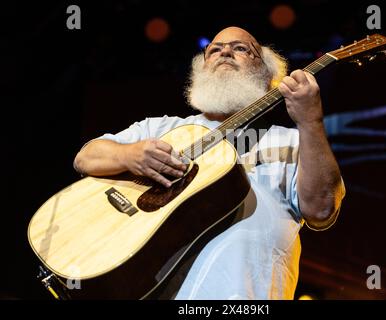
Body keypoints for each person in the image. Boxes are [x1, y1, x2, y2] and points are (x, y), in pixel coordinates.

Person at [74, 26, 345, 299]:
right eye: (214, 49)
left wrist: (310, 122)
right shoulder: (161, 128)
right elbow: (86, 158)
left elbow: (321, 210)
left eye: (241, 49)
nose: (225, 51)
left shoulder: (292, 141)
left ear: (266, 75)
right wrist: (128, 155)